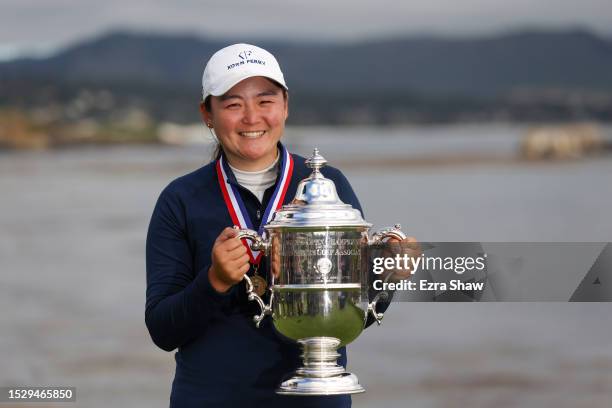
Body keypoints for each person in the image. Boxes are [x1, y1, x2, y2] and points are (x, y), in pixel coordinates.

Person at [145, 43, 416, 408]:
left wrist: (388, 274)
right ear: (207, 114)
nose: (251, 117)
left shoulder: (328, 187)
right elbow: (163, 330)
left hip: (316, 400)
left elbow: (353, 316)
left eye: (265, 101)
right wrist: (214, 281)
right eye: (232, 104)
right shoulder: (180, 199)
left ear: (285, 106)